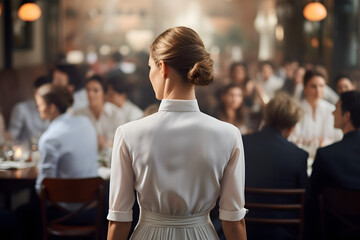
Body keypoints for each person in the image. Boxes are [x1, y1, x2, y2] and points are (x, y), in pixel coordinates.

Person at [107, 26, 247, 240]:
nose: (150, 74)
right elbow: (233, 222)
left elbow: (119, 221)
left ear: (162, 67)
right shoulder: (229, 134)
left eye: (150, 67)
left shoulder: (128, 133)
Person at [243, 92, 308, 239]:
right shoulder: (299, 155)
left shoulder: (242, 143)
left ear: (266, 118)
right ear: (292, 126)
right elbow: (305, 201)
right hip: (282, 231)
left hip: (244, 227)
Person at [307, 90, 360, 239]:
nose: (332, 113)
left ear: (347, 116)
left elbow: (312, 201)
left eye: (336, 108)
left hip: (333, 233)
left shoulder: (326, 155)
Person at [34, 84, 98, 192]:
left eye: (40, 105)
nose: (38, 109)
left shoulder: (49, 138)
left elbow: (43, 188)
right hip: (93, 201)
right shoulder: (86, 122)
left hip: (62, 204)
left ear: (52, 108)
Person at [291, 70, 342, 149]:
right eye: (313, 86)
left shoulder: (332, 110)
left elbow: (338, 138)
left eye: (321, 86)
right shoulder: (295, 109)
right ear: (305, 89)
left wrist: (325, 142)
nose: (318, 91)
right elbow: (292, 137)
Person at [74, 75, 125, 150]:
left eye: (95, 91)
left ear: (104, 94)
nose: (90, 94)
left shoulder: (116, 113)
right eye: (88, 90)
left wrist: (106, 143)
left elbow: (121, 142)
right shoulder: (78, 114)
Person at [7, 76, 51, 145]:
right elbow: (12, 136)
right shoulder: (21, 109)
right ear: (34, 92)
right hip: (27, 151)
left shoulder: (54, 109)